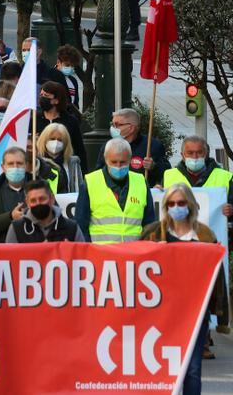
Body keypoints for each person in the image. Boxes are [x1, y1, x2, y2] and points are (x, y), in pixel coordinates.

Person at [140, 183, 229, 394]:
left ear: (190, 205)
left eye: (181, 203)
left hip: (195, 315)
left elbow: (218, 278)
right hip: (160, 316)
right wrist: (151, 253)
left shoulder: (205, 236)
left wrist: (221, 316)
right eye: (171, 203)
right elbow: (138, 270)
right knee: (161, 369)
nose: (176, 207)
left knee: (192, 370)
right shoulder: (152, 234)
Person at [77, 138, 156, 244]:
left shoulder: (141, 182)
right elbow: (81, 225)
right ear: (105, 159)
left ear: (129, 160)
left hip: (134, 254)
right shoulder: (90, 182)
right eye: (114, 162)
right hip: (100, 255)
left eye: (123, 162)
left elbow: (149, 223)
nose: (118, 166)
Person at [161, 136, 233, 221]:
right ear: (182, 155)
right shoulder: (168, 176)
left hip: (212, 232)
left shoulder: (225, 177)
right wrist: (157, 192)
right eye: (190, 153)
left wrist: (231, 210)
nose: (195, 157)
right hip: (179, 232)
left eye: (199, 152)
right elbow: (161, 206)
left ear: (205, 154)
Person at [5, 179, 85, 242]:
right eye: (33, 200)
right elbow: (9, 258)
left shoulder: (71, 228)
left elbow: (82, 257)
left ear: (51, 199)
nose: (38, 203)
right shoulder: (17, 229)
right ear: (27, 203)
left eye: (42, 199)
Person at [108, 107, 168, 183]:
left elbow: (165, 173)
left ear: (131, 128)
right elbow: (99, 172)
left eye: (117, 125)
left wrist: (154, 167)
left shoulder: (152, 146)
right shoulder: (109, 146)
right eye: (112, 124)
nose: (113, 128)